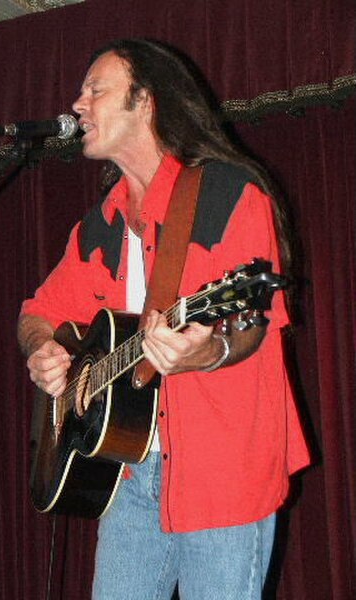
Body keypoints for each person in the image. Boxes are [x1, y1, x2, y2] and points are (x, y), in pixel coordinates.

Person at [18, 39, 310, 600]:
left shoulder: (229, 193)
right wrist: (43, 351)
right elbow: (39, 311)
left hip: (222, 472)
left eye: (95, 90)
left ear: (145, 102)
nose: (77, 104)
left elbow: (253, 322)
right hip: (127, 472)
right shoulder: (100, 223)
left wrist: (207, 351)